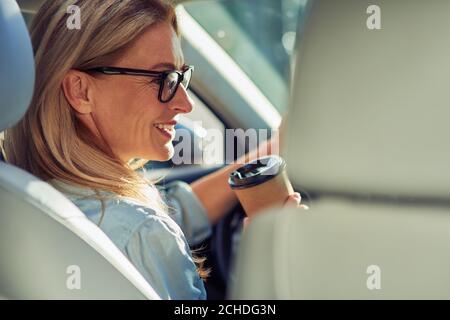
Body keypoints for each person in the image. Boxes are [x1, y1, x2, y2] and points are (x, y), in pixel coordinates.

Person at [3, 0, 302, 299]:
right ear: (80, 91)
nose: (186, 104)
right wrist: (266, 271)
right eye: (164, 78)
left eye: (181, 77)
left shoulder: (22, 195)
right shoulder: (142, 232)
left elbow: (168, 213)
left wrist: (273, 148)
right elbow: (143, 230)